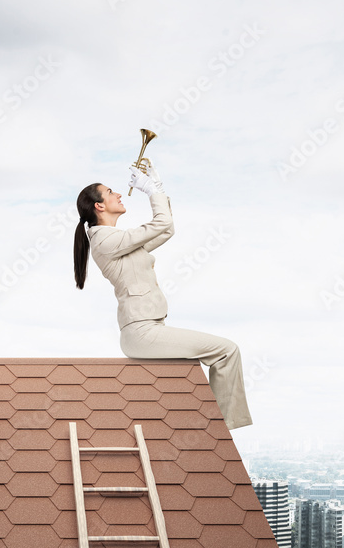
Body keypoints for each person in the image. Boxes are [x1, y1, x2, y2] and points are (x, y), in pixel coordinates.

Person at [72, 165, 253, 430]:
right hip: (142, 332)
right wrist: (151, 192)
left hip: (150, 329)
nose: (119, 194)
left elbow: (166, 230)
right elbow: (162, 223)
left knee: (222, 352)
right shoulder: (105, 241)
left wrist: (160, 189)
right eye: (110, 192)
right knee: (226, 351)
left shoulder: (120, 241)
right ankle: (222, 430)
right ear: (99, 206)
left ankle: (216, 426)